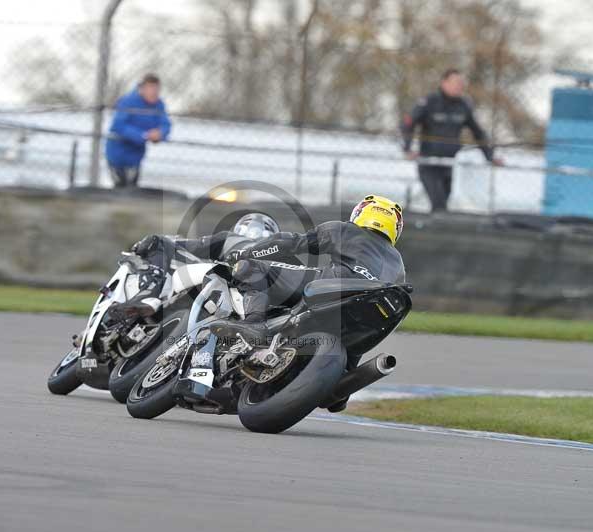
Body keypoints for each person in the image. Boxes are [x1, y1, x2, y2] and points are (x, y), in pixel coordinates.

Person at [210, 195, 406, 360]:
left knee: (249, 268)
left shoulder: (345, 230)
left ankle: (254, 323)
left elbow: (292, 243)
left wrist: (248, 253)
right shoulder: (398, 264)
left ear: (360, 213)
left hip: (333, 285)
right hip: (368, 313)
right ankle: (346, 376)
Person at [105, 213, 280, 324]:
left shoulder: (232, 240)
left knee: (158, 242)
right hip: (247, 304)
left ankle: (149, 294)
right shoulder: (274, 260)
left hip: (221, 285)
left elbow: (186, 246)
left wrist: (148, 245)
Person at [401, 68, 503, 212]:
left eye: (461, 83)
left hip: (449, 163)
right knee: (439, 205)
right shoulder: (429, 102)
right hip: (429, 163)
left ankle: (434, 229)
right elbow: (408, 124)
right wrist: (407, 148)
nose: (459, 86)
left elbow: (478, 133)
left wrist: (490, 156)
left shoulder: (463, 105)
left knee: (442, 204)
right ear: (444, 83)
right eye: (455, 82)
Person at [105, 73, 171, 188]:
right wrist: (143, 135)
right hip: (117, 153)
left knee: (132, 187)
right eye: (151, 89)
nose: (154, 93)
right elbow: (118, 126)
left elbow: (165, 123)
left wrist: (160, 133)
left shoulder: (158, 105)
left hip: (136, 156)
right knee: (119, 186)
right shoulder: (128, 101)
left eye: (157, 89)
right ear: (142, 88)